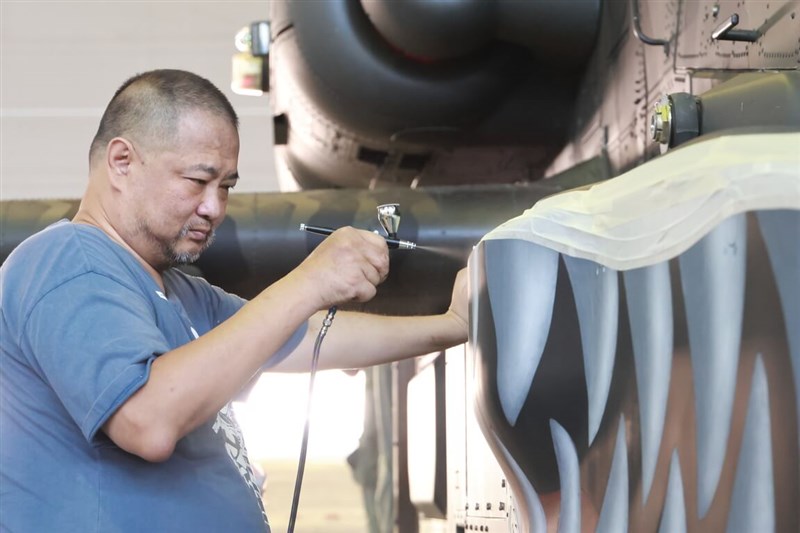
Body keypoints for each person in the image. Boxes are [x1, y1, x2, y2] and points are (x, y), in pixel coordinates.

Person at [0, 69, 468, 532]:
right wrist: (309, 281)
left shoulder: (182, 294)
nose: (214, 208)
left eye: (225, 186)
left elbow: (306, 336)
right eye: (197, 181)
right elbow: (148, 420)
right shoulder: (67, 260)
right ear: (122, 162)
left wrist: (454, 324)